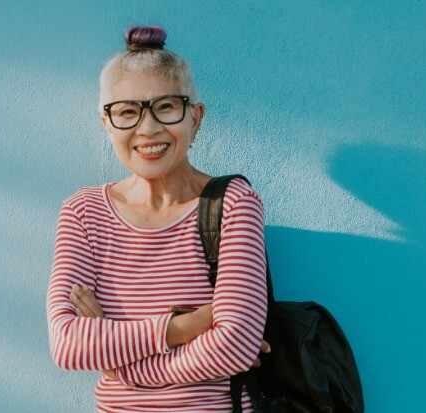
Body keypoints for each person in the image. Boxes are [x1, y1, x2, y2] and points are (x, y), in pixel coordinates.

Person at [46, 25, 269, 413]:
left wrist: (120, 363)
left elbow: (235, 346)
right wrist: (184, 327)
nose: (148, 128)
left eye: (166, 106)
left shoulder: (234, 203)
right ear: (106, 123)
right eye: (127, 112)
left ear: (195, 117)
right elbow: (67, 344)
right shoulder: (83, 213)